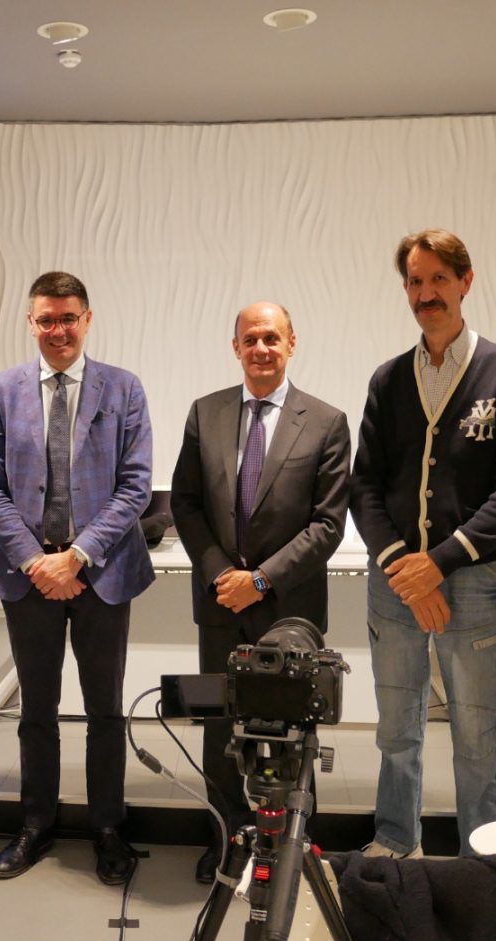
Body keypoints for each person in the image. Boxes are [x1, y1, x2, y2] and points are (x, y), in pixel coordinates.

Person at [350, 229, 496, 858]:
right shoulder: (388, 379)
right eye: (415, 281)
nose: (426, 293)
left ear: (465, 282)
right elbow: (364, 485)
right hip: (394, 583)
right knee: (397, 730)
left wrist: (440, 562)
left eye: (438, 279)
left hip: (476, 583)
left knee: (478, 738)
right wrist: (404, 568)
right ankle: (396, 841)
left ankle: (483, 859)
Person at [0, 271, 152, 885]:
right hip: (29, 577)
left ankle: (108, 826)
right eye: (46, 319)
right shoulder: (2, 391)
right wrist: (37, 562)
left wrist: (75, 557)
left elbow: (135, 486)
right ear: (31, 323)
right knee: (36, 711)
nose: (58, 330)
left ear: (87, 319)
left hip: (100, 574)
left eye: (68, 318)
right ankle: (36, 823)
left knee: (105, 710)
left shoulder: (123, 388)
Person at [170, 301, 351, 884]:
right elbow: (185, 504)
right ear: (236, 347)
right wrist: (223, 575)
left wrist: (262, 580)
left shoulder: (326, 421)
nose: (261, 349)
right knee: (220, 730)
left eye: (271, 338)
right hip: (221, 603)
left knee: (293, 733)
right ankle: (227, 840)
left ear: (291, 344)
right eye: (250, 339)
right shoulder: (206, 413)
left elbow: (327, 524)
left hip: (289, 611)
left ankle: (292, 849)